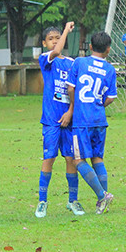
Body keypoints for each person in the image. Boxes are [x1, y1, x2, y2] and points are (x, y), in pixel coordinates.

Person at [36, 22, 84, 218]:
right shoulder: (46, 60)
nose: (55, 41)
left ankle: (73, 200)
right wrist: (65, 31)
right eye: (51, 39)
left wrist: (71, 112)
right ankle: (42, 201)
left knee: (71, 159)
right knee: (49, 158)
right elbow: (56, 52)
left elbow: (76, 91)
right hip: (51, 120)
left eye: (58, 37)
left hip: (69, 120)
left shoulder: (72, 63)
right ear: (44, 43)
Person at [67, 31, 117, 214]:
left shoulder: (80, 63)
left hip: (82, 120)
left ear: (89, 47)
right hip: (99, 119)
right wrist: (98, 104)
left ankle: (102, 195)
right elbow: (110, 98)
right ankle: (103, 203)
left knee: (78, 160)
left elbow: (71, 88)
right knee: (97, 158)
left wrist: (75, 105)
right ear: (108, 49)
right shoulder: (110, 69)